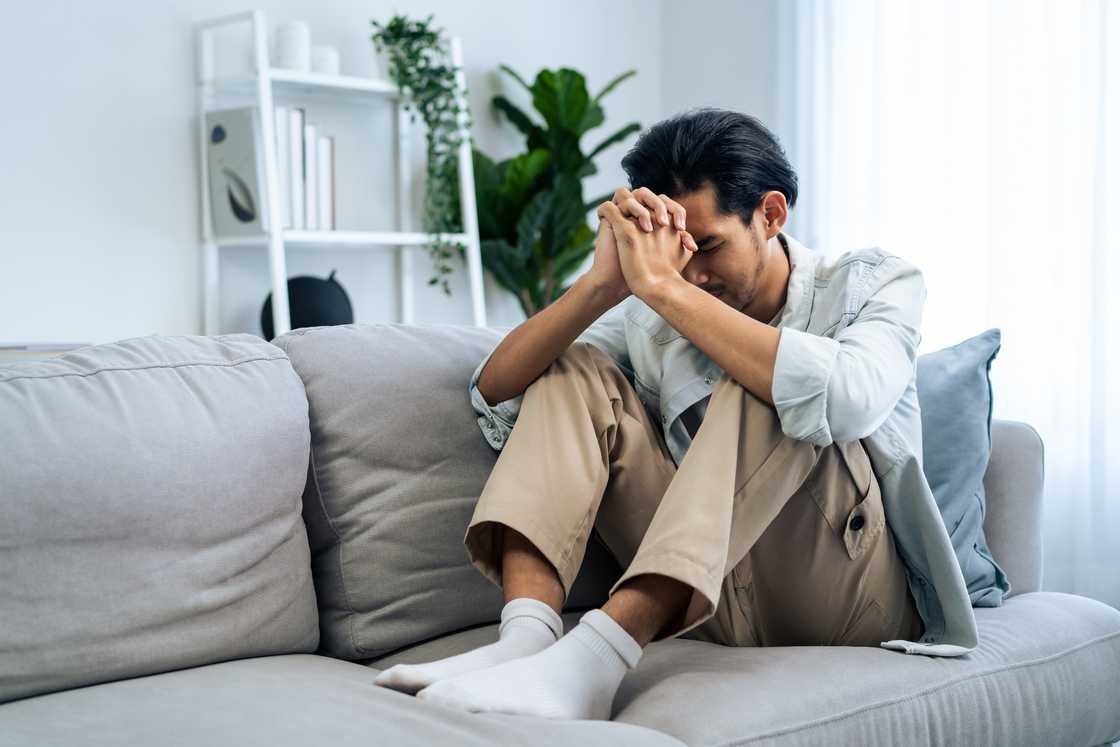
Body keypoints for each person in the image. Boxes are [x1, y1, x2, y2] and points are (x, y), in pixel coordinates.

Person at [373, 108, 979, 721]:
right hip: (706, 596)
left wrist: (664, 288)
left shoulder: (875, 282)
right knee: (572, 366)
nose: (692, 272)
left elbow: (846, 399)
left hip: (849, 595)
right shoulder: (650, 308)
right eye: (678, 251)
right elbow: (496, 393)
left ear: (771, 214)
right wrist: (601, 287)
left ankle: (594, 660)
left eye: (707, 245)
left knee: (773, 382)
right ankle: (525, 644)